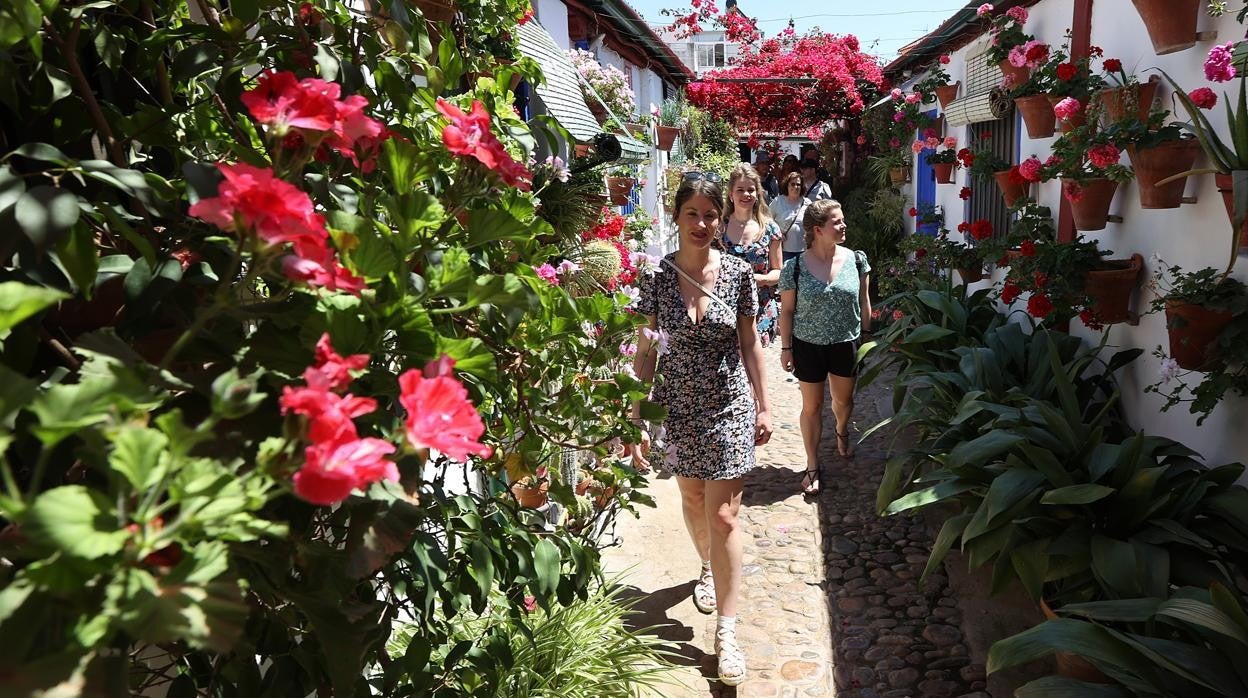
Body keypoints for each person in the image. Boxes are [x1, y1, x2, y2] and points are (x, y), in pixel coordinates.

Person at [627, 173, 773, 687]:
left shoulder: (738, 274)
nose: (702, 223)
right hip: (677, 407)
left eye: (710, 215)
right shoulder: (657, 277)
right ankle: (707, 567)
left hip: (728, 405)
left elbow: (750, 343)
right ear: (677, 216)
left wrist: (762, 406)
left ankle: (727, 633)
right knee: (692, 500)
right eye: (692, 213)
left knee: (725, 516)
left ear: (721, 218)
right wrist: (637, 413)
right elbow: (646, 349)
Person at [776, 199, 872, 496]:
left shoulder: (857, 260)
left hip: (846, 342)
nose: (844, 225)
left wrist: (867, 336)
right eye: (837, 222)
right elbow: (787, 311)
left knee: (843, 402)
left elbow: (864, 302)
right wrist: (786, 348)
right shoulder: (794, 267)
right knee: (812, 407)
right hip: (808, 345)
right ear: (818, 230)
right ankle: (812, 465)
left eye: (842, 220)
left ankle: (841, 429)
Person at [721, 163, 783, 347]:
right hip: (727, 306)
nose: (746, 194)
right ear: (731, 194)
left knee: (754, 359)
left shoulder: (770, 229)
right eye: (740, 190)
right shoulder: (719, 228)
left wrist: (757, 279)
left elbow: (778, 272)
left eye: (751, 190)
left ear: (757, 194)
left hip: (761, 307)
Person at [771, 172, 810, 263]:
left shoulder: (807, 203)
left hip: (803, 249)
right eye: (792, 184)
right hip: (783, 250)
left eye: (798, 185)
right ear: (787, 185)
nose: (795, 187)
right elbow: (767, 220)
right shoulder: (778, 201)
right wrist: (777, 232)